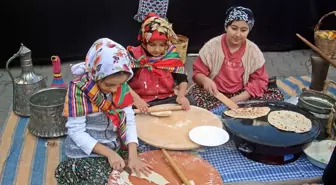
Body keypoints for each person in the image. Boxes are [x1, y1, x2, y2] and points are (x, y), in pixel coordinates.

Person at [54, 38, 152, 185]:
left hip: (113, 143)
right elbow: (76, 132)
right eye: (109, 85)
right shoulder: (80, 90)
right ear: (95, 75)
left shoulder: (120, 85)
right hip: (86, 152)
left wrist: (133, 156)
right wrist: (110, 154)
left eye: (119, 85)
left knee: (142, 162)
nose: (114, 90)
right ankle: (71, 169)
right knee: (108, 180)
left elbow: (129, 120)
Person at [187, 6, 284, 115]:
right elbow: (197, 73)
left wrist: (237, 99)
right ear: (226, 27)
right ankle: (225, 111)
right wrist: (205, 80)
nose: (238, 34)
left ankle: (223, 111)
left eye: (243, 30)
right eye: (234, 28)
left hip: (241, 93)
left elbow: (259, 80)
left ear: (249, 30)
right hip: (214, 93)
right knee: (192, 99)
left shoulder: (253, 51)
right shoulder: (212, 46)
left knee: (276, 97)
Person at [127, 13, 191, 113]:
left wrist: (181, 95)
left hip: (167, 98)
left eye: (162, 45)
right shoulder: (135, 56)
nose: (157, 49)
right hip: (142, 100)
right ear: (144, 41)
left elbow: (182, 78)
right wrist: (137, 99)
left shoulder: (171, 55)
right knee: (124, 111)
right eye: (152, 45)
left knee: (191, 102)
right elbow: (123, 82)